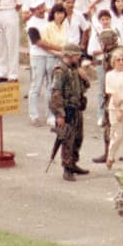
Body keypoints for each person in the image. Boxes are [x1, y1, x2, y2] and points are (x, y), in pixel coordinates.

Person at [50, 44, 90, 180]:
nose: (79, 58)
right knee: (68, 140)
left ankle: (73, 163)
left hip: (77, 108)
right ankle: (67, 169)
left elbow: (84, 87)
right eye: (77, 56)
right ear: (70, 56)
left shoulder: (75, 70)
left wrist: (84, 78)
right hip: (66, 111)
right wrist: (60, 114)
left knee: (78, 138)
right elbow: (56, 93)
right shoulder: (60, 71)